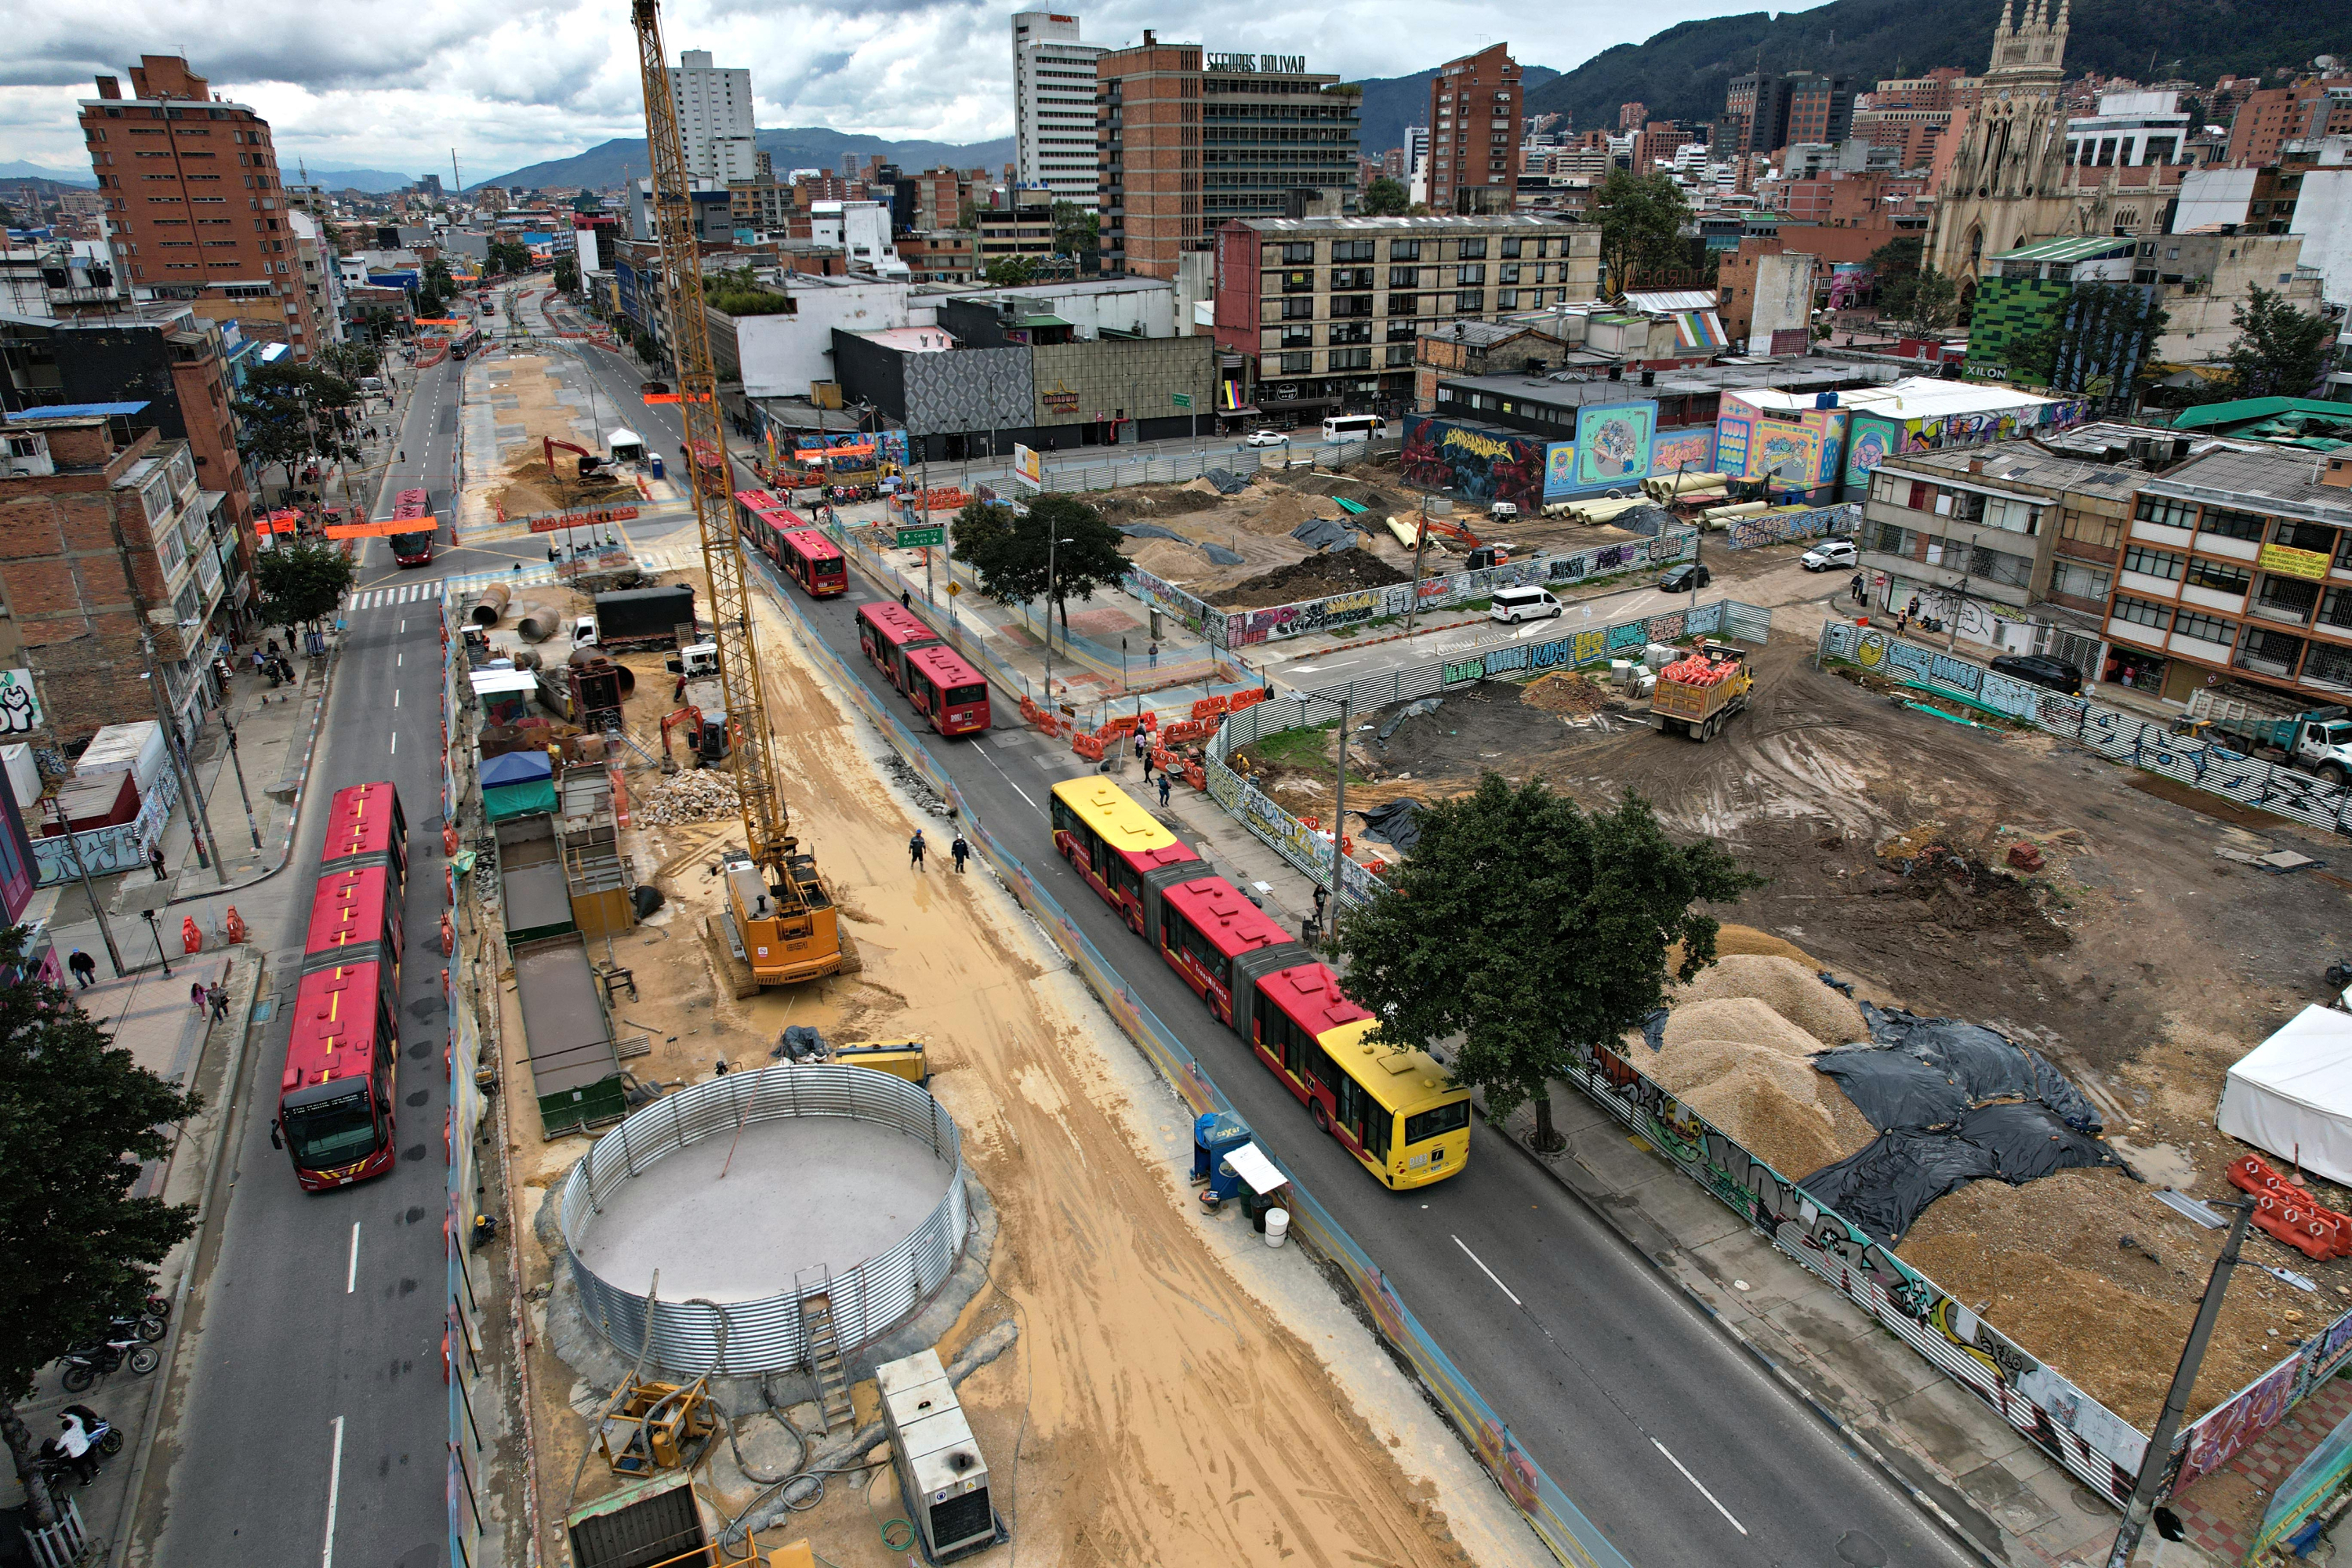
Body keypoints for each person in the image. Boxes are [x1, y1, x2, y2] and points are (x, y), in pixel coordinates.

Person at [53, 1410, 97, 1486]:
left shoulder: (65, 1436)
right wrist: (66, 1415)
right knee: (90, 1458)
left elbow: (58, 1447)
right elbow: (76, 1418)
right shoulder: (78, 1425)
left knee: (79, 1468)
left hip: (76, 1454)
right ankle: (96, 1469)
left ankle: (87, 1481)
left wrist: (55, 1449)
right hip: (85, 1447)